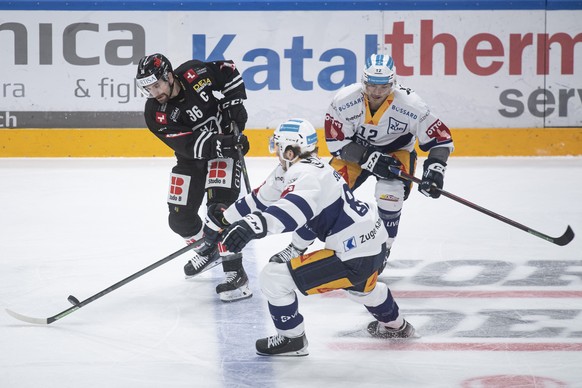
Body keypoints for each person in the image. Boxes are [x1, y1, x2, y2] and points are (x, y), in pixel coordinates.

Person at [201, 118, 415, 357]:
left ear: (289, 151)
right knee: (364, 289)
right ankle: (397, 326)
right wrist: (222, 219)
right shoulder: (301, 168)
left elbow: (294, 210)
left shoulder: (305, 175)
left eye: (278, 147)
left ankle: (293, 340)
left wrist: (252, 226)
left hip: (353, 255)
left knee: (273, 278)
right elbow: (260, 198)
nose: (276, 153)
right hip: (371, 244)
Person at [135, 53, 252, 302]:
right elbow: (191, 146)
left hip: (224, 154)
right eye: (148, 88)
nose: (154, 92)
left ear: (168, 76)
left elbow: (228, 70)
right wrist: (228, 142)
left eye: (156, 85)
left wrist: (234, 104)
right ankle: (208, 249)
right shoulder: (156, 112)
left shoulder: (194, 73)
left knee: (219, 212)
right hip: (192, 159)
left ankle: (237, 275)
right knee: (179, 219)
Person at [324, 53, 454, 257]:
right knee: (327, 191)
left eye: (383, 86)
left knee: (390, 194)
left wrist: (435, 171)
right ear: (363, 81)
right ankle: (304, 245)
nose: (377, 91)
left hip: (397, 152)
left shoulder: (411, 105)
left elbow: (441, 139)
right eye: (372, 85)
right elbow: (337, 143)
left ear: (393, 83)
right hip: (355, 153)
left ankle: (384, 249)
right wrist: (369, 158)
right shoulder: (344, 101)